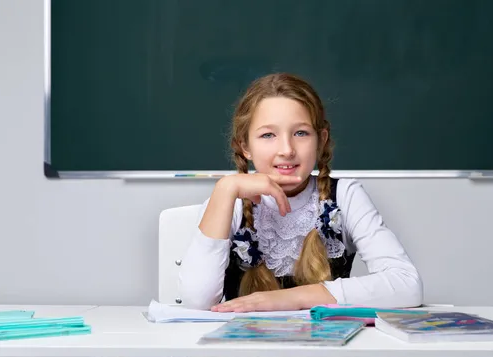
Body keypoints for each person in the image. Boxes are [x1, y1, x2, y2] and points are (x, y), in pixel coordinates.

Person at [178, 73, 423, 312]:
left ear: (321, 140)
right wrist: (225, 189)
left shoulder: (345, 195)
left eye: (301, 133)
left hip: (323, 349)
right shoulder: (230, 201)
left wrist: (291, 298)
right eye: (268, 135)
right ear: (245, 147)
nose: (286, 149)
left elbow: (407, 284)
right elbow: (197, 301)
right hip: (243, 350)